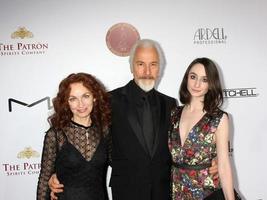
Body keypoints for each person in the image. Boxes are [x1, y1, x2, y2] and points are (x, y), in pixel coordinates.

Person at [48, 39, 218, 200]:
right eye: (140, 64)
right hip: (126, 190)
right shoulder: (109, 100)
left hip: (164, 190)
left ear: (160, 68)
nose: (147, 72)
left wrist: (213, 161)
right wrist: (59, 174)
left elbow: (186, 143)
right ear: (131, 66)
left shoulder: (170, 104)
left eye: (153, 64)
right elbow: (85, 135)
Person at [168, 57, 235, 200]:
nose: (197, 84)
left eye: (204, 80)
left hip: (205, 192)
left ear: (211, 84)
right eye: (193, 77)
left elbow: (223, 165)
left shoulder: (218, 118)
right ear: (187, 78)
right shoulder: (174, 114)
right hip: (176, 191)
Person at [37, 73, 111, 200]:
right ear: (66, 103)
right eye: (73, 99)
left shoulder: (105, 131)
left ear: (95, 97)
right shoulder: (56, 134)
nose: (80, 104)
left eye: (85, 96)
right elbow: (44, 179)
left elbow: (121, 164)